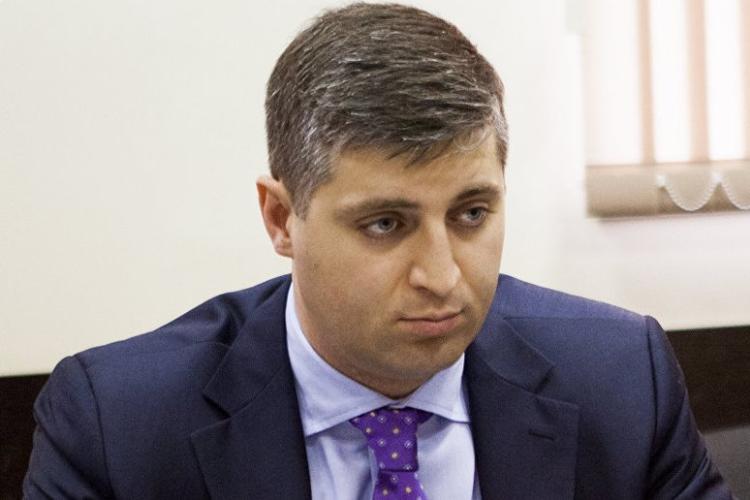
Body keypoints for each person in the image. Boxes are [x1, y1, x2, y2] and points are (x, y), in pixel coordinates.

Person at [24, 3, 733, 499]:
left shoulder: (620, 380)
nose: (443, 276)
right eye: (386, 224)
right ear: (281, 218)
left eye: (472, 213)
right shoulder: (118, 426)